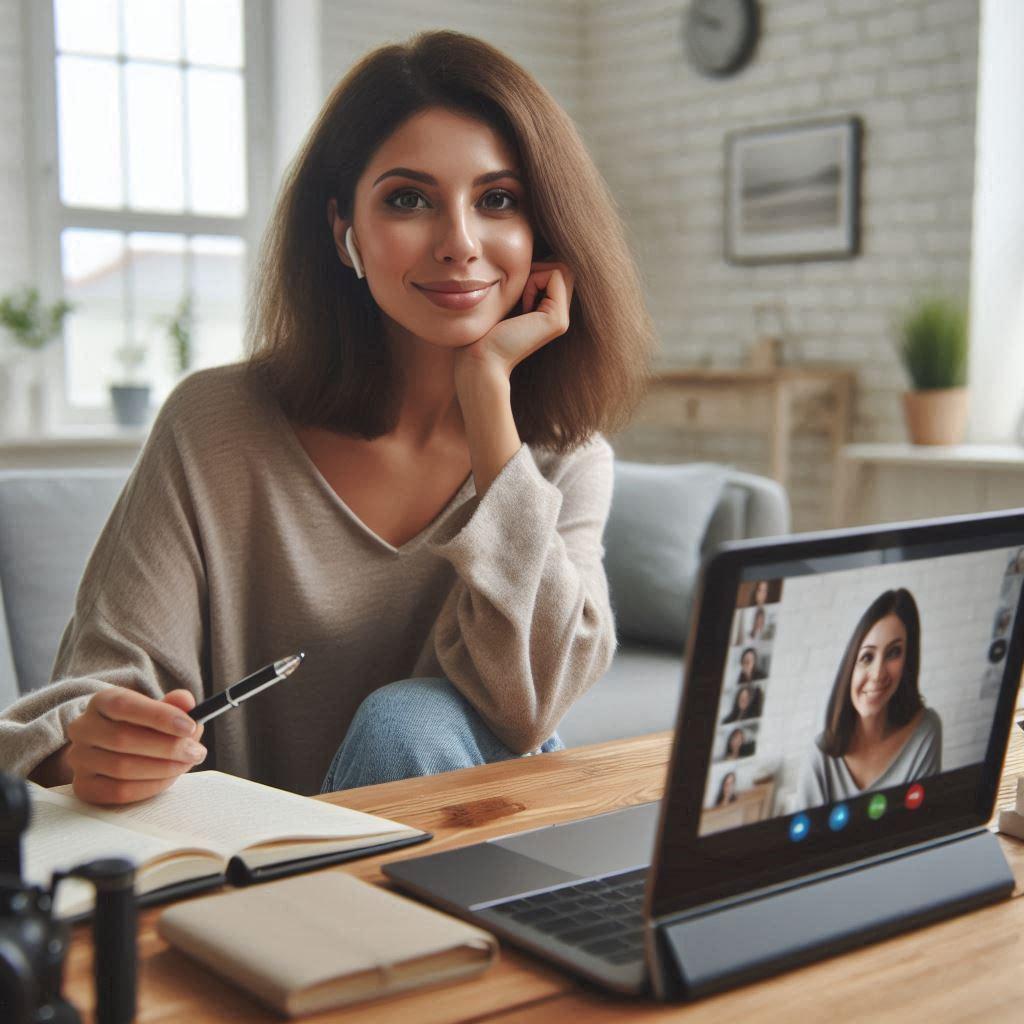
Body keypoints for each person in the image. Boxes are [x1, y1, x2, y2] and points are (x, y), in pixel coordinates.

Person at [0, 31, 652, 804]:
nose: (459, 243)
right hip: (247, 856)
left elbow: (531, 702)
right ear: (345, 232)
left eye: (498, 200)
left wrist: (487, 394)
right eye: (409, 199)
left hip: (463, 854)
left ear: (541, 230)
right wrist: (97, 743)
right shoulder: (215, 426)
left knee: (406, 725)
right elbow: (95, 690)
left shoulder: (565, 456)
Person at [798, 588, 941, 809]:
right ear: (850, 667)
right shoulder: (820, 756)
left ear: (907, 661)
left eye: (893, 653)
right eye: (867, 657)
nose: (877, 674)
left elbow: (924, 822)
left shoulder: (925, 731)